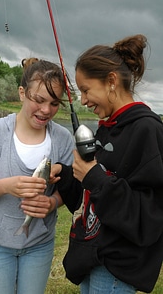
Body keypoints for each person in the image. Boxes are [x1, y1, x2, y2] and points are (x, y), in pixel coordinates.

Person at [50, 34, 163, 293]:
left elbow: (150, 215)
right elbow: (94, 186)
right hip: (91, 256)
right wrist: (67, 174)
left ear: (111, 81)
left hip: (116, 267)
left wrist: (95, 178)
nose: (83, 100)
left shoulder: (146, 130)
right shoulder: (106, 129)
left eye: (86, 89)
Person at [0, 58, 74, 294]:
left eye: (54, 103)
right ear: (22, 93)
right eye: (38, 100)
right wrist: (7, 186)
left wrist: (52, 202)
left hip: (40, 244)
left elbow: (68, 188)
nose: (46, 110)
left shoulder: (62, 139)